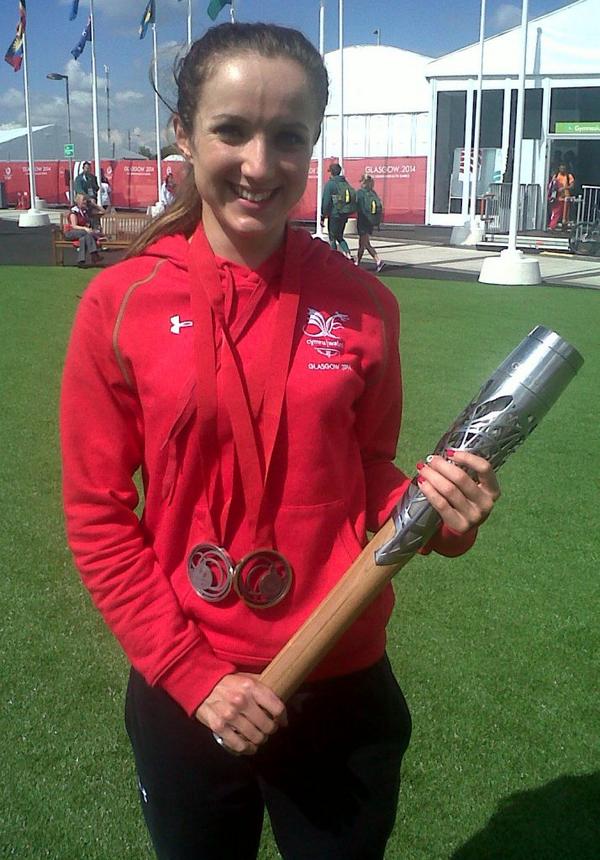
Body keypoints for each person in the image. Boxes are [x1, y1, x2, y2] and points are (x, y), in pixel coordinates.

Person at [60, 22, 501, 860]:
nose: (260, 165)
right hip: (186, 691)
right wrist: (197, 679)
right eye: (231, 130)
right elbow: (98, 516)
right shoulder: (120, 303)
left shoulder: (365, 303)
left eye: (288, 136)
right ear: (184, 135)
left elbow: (367, 471)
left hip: (342, 683)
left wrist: (438, 512)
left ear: (313, 144)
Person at [321, 162, 355, 260]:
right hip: (344, 213)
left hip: (334, 214)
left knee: (332, 238)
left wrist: (323, 216)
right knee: (340, 236)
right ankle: (348, 255)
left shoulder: (330, 184)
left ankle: (334, 258)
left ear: (331, 172)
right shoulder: (345, 183)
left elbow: (326, 202)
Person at [63, 192, 103, 267]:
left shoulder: (85, 211)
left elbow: (103, 211)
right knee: (87, 233)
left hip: (82, 234)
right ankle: (94, 255)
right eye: (83, 200)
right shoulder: (74, 211)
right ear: (78, 201)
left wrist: (94, 204)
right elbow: (74, 226)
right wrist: (85, 228)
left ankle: (81, 260)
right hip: (70, 233)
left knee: (84, 238)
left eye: (85, 200)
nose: (85, 202)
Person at [356, 173, 384, 271]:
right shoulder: (373, 193)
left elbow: (356, 205)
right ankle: (358, 262)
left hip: (363, 220)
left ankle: (377, 260)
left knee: (363, 243)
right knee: (365, 242)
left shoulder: (360, 193)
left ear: (363, 183)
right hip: (371, 221)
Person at [74, 161, 104, 229]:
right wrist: (87, 198)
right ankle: (89, 226)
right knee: (87, 214)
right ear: (83, 168)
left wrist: (93, 193)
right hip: (83, 200)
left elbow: (96, 187)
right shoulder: (79, 178)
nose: (88, 169)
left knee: (95, 214)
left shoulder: (93, 177)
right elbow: (79, 190)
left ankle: (96, 227)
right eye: (86, 168)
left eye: (89, 168)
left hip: (92, 199)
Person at [548, 162, 575, 230]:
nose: (562, 169)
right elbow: (552, 185)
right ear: (559, 168)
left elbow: (572, 186)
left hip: (566, 197)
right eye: (561, 168)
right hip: (557, 198)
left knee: (566, 214)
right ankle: (552, 226)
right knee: (556, 212)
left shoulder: (569, 176)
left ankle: (564, 227)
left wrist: (564, 188)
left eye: (564, 168)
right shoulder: (556, 175)